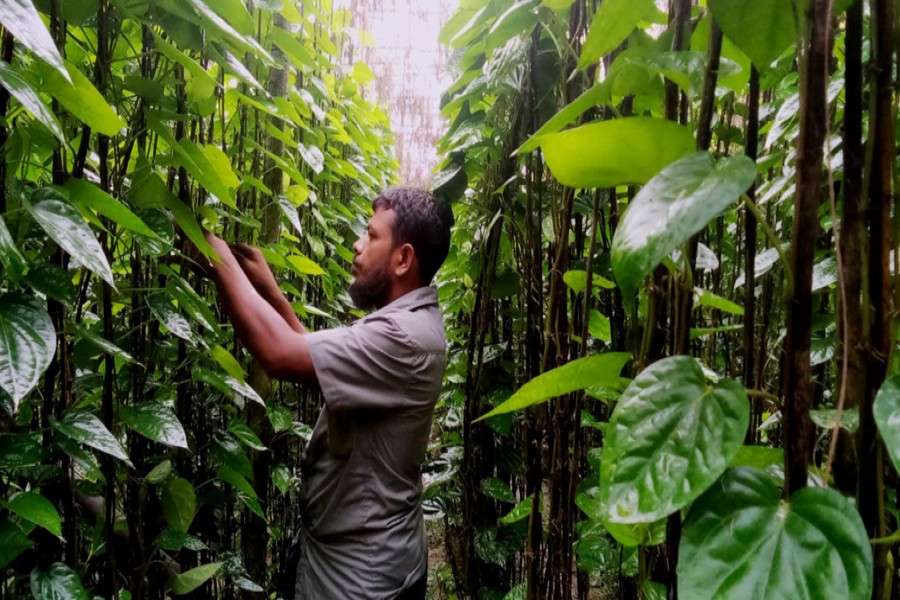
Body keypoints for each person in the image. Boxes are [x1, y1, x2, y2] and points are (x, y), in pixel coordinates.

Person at [197, 186, 454, 599]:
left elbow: (279, 354)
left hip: (361, 579)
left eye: (370, 236)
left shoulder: (402, 338)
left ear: (403, 259)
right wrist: (272, 293)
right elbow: (323, 369)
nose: (356, 245)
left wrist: (210, 251)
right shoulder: (413, 324)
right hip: (369, 559)